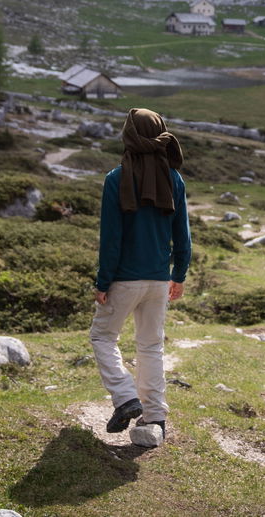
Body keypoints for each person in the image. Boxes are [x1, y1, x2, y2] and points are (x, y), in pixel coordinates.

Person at [90, 107, 191, 446]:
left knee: (103, 337)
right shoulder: (174, 179)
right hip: (159, 280)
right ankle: (155, 416)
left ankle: (125, 397)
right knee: (150, 346)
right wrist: (179, 274)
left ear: (130, 136)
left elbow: (112, 239)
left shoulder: (116, 178)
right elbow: (183, 235)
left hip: (124, 279)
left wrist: (103, 281)